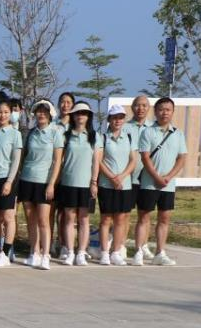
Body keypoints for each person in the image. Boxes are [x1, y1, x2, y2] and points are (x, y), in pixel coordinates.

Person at [134, 97, 188, 266]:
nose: (165, 113)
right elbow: (145, 157)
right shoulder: (147, 132)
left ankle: (160, 252)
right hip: (149, 183)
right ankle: (138, 251)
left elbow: (181, 158)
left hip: (168, 185)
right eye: (161, 109)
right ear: (156, 112)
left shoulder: (178, 134)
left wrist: (169, 177)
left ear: (172, 112)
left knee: (164, 218)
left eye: (168, 110)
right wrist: (156, 177)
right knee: (144, 217)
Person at [18, 100, 64, 271]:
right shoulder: (30, 133)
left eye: (45, 111)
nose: (41, 114)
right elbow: (23, 157)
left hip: (44, 181)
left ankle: (45, 254)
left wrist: (52, 184)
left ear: (50, 114)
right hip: (27, 179)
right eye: (38, 111)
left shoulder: (55, 132)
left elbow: (57, 161)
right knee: (30, 218)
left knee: (44, 220)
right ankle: (34, 251)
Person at [55, 103, 97, 266]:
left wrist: (94, 182)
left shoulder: (94, 136)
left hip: (86, 184)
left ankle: (81, 252)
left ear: (89, 116)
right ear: (73, 115)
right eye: (78, 113)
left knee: (84, 219)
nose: (81, 116)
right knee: (69, 218)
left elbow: (96, 162)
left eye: (84, 113)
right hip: (68, 182)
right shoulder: (66, 136)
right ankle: (70, 251)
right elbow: (60, 160)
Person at [97, 104, 137, 266]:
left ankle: (115, 252)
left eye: (120, 117)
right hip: (106, 184)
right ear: (109, 119)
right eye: (114, 117)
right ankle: (104, 253)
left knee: (120, 219)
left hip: (124, 185)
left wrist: (121, 176)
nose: (118, 120)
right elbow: (99, 161)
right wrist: (112, 177)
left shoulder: (129, 137)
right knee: (106, 219)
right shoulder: (102, 137)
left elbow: (133, 161)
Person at [0, 99, 22, 266]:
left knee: (8, 216)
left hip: (7, 178)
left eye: (6, 112)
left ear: (11, 113)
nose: (2, 115)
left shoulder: (15, 134)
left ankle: (6, 253)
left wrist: (9, 181)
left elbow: (16, 161)